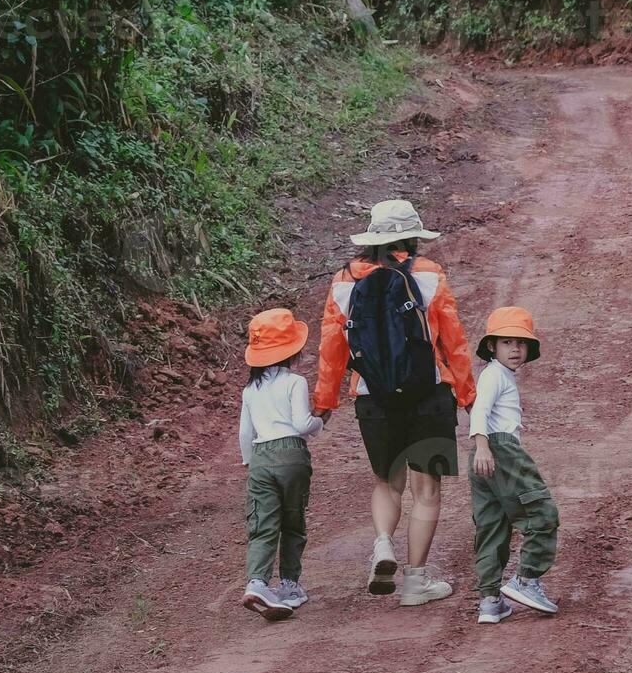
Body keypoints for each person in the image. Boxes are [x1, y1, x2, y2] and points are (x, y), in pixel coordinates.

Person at [314, 199, 476, 606]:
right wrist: (468, 393)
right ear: (413, 237)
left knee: (387, 481)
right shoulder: (429, 275)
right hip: (429, 394)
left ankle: (383, 542)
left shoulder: (343, 280)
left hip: (373, 396)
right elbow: (452, 340)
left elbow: (332, 347)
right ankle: (415, 582)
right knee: (427, 489)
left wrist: (325, 401)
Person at [467, 306, 560, 623]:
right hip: (499, 448)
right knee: (542, 512)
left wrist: (481, 449)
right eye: (507, 342)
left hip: (486, 454)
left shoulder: (497, 374)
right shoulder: (494, 375)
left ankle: (490, 601)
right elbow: (478, 409)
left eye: (521, 343)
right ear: (492, 346)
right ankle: (527, 580)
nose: (516, 349)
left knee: (492, 524)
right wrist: (483, 445)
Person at [239, 308, 324, 621]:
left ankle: (258, 582)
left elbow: (245, 433)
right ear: (293, 351)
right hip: (291, 455)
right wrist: (320, 423)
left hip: (260, 458)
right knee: (292, 521)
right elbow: (301, 423)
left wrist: (251, 463)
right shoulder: (295, 382)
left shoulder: (250, 390)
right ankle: (289, 584)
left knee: (262, 525)